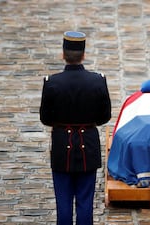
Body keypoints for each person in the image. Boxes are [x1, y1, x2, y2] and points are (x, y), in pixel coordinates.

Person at [40, 31, 111, 225]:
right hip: (87, 144)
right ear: (83, 55)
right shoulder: (98, 81)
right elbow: (105, 116)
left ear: (63, 54)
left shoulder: (52, 82)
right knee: (85, 202)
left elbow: (45, 118)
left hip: (62, 145)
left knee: (63, 203)